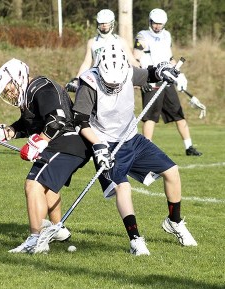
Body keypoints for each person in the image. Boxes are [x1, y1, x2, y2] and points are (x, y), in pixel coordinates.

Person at [72, 44, 197, 256]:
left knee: (172, 172)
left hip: (131, 139)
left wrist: (161, 71)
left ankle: (174, 221)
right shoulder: (89, 82)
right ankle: (135, 240)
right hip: (105, 144)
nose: (113, 87)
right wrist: (98, 146)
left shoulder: (128, 71)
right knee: (123, 187)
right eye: (109, 83)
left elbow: (149, 74)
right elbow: (80, 121)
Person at [0, 58, 91, 253]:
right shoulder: (31, 95)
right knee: (48, 187)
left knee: (33, 185)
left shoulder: (42, 88)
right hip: (65, 144)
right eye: (7, 92)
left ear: (20, 78)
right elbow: (29, 125)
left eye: (10, 88)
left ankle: (35, 240)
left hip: (67, 142)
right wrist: (6, 133)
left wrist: (40, 141)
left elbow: (57, 119)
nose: (11, 94)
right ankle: (58, 229)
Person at [133, 8, 205, 156]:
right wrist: (142, 79)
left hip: (167, 79)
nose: (157, 26)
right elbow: (136, 57)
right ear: (150, 21)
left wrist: (179, 75)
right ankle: (147, 150)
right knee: (150, 116)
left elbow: (170, 58)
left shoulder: (167, 35)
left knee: (178, 113)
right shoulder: (142, 36)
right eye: (155, 23)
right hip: (152, 80)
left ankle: (189, 147)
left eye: (160, 24)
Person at [66, 8, 139, 93]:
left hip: (118, 83)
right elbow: (87, 63)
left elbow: (132, 61)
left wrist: (146, 76)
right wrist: (76, 79)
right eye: (101, 23)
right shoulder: (92, 42)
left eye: (106, 23)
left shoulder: (121, 41)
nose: (104, 25)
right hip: (98, 82)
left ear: (112, 23)